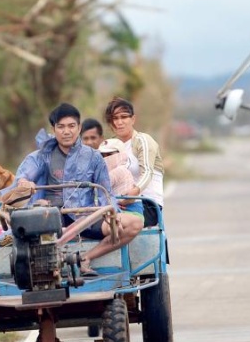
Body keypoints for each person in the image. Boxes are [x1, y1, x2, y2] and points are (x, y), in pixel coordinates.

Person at [14, 103, 141, 274]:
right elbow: (24, 176)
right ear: (54, 129)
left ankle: (86, 258)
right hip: (52, 216)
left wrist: (114, 213)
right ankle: (46, 264)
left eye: (71, 126)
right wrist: (24, 183)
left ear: (79, 127)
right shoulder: (42, 155)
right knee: (35, 218)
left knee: (133, 223)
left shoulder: (93, 157)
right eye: (61, 127)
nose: (67, 131)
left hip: (86, 216)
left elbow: (106, 192)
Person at [104, 96, 165, 227]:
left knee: (114, 222)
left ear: (133, 119)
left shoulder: (142, 140)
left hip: (146, 204)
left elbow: (147, 172)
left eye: (124, 117)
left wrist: (134, 193)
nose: (119, 122)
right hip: (118, 203)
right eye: (115, 118)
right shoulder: (110, 145)